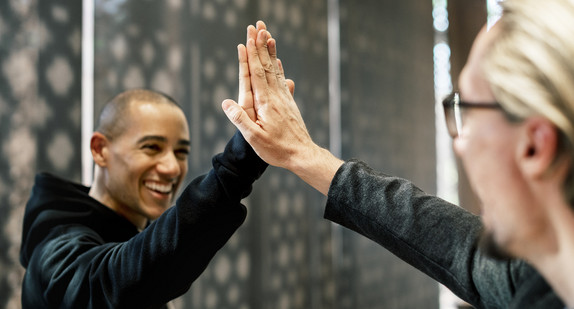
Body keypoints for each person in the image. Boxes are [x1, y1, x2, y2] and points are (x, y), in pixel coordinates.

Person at [223, 1, 574, 306]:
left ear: (535, 146)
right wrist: (304, 155)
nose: (459, 142)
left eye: (466, 110)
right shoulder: (542, 279)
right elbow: (450, 242)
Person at [19, 88, 268, 308]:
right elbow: (113, 286)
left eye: (181, 152)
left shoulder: (131, 232)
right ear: (100, 150)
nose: (172, 167)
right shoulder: (55, 248)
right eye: (151, 147)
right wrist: (236, 168)